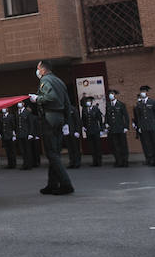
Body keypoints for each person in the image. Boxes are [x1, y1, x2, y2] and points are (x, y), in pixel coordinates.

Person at [32, 59, 74, 195]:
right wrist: (66, 121)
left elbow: (51, 97)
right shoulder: (59, 81)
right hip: (60, 118)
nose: (37, 71)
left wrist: (37, 99)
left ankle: (66, 184)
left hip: (49, 118)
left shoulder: (46, 80)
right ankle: (52, 184)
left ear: (42, 69)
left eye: (38, 68)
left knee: (51, 153)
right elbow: (67, 103)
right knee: (54, 153)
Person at [134, 86, 155, 167]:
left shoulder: (152, 102)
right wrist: (139, 127)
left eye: (144, 91)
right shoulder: (139, 104)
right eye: (141, 91)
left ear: (146, 92)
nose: (142, 93)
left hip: (152, 126)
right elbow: (138, 117)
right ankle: (151, 160)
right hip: (144, 127)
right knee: (147, 144)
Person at [106, 90, 131, 167]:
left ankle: (125, 161)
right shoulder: (108, 105)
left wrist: (126, 126)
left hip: (120, 128)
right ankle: (118, 161)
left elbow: (126, 116)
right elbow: (107, 116)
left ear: (115, 95)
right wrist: (106, 124)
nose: (111, 95)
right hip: (112, 128)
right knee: (115, 146)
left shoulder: (121, 104)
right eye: (110, 94)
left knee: (123, 145)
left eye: (112, 94)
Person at [81, 96, 105, 167]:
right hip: (89, 130)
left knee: (97, 146)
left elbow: (100, 119)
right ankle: (94, 161)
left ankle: (99, 161)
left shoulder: (95, 109)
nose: (88, 102)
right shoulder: (84, 109)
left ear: (91, 102)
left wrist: (101, 129)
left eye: (89, 101)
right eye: (87, 101)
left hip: (95, 130)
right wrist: (84, 126)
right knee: (92, 147)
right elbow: (83, 119)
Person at [65, 101, 83, 169]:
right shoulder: (63, 110)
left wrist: (77, 131)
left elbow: (77, 121)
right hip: (66, 132)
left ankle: (77, 162)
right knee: (70, 149)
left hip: (74, 132)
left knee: (75, 148)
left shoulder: (73, 109)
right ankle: (72, 162)